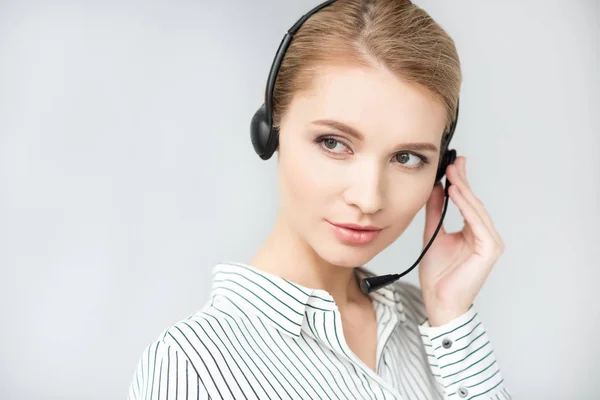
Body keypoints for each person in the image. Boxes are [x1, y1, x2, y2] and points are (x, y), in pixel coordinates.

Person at [128, 0, 512, 399]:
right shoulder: (193, 364)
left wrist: (451, 319)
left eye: (406, 158)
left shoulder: (434, 325)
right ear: (270, 129)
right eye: (333, 143)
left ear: (439, 171)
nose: (368, 199)